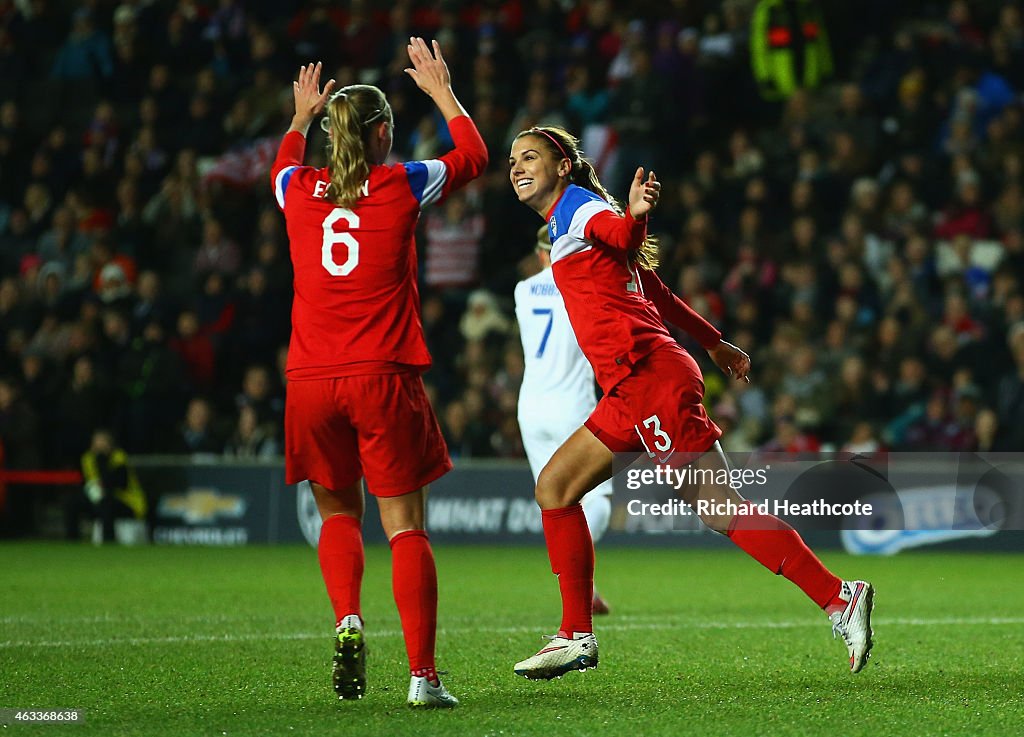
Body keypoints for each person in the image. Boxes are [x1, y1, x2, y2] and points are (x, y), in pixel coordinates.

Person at [507, 126, 874, 680]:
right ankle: (575, 635)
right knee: (554, 489)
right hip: (632, 386)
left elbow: (625, 236)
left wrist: (636, 217)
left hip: (650, 379)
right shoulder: (567, 224)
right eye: (512, 160)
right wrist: (713, 341)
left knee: (721, 509)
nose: (517, 167)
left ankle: (839, 598)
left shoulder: (579, 211)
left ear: (562, 167)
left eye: (530, 157)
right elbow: (656, 292)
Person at [270, 41, 487, 708]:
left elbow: (282, 162)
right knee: (406, 527)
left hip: (310, 381)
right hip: (382, 376)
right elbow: (475, 157)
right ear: (385, 133)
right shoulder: (401, 183)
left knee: (338, 510)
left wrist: (301, 116)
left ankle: (348, 618)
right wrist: (443, 91)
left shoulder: (296, 190)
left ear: (329, 135)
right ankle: (423, 676)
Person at [514, 225, 615, 615]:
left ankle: (580, 590)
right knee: (598, 499)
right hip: (573, 405)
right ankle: (581, 585)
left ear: (541, 256)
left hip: (531, 407)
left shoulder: (523, 291)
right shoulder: (583, 285)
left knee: (555, 504)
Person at [68, 428, 147, 544]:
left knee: (106, 503)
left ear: (110, 444)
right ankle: (72, 541)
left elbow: (117, 484)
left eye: (102, 442)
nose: (99, 445)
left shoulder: (119, 457)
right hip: (98, 496)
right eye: (96, 442)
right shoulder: (87, 458)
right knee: (71, 503)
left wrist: (101, 459)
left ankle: (108, 542)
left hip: (127, 502)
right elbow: (88, 482)